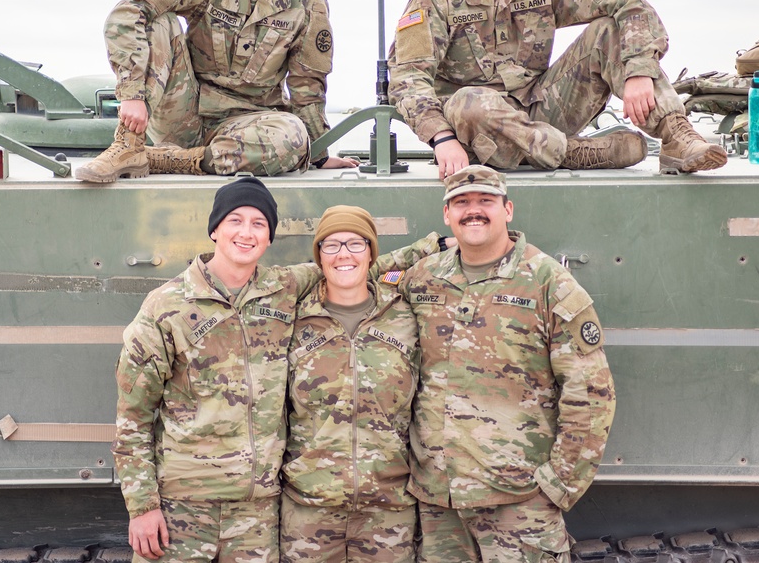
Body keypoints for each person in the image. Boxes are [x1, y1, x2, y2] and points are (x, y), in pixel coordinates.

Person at [113, 178, 446, 562]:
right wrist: (142, 506)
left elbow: (353, 267)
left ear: (269, 237)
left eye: (259, 224)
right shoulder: (165, 306)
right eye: (235, 220)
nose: (246, 232)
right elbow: (133, 416)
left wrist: (436, 246)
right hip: (183, 504)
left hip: (257, 511)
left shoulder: (282, 288)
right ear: (214, 229)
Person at [388, 0, 728, 179]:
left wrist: (639, 71)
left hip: (543, 108)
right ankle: (574, 153)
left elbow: (629, 4)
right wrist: (442, 139)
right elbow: (407, 80)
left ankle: (677, 135)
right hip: (477, 132)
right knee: (469, 102)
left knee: (608, 30)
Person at [396, 165, 616, 562]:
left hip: (519, 499)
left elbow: (591, 393)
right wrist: (425, 247)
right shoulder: (422, 278)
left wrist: (558, 484)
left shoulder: (548, 281)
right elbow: (360, 276)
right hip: (440, 498)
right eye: (461, 203)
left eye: (485, 201)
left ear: (508, 210)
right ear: (447, 215)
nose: (473, 211)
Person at [78, 0, 357, 182]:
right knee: (157, 18)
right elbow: (127, 11)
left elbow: (307, 83)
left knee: (293, 136)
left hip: (250, 126)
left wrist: (318, 152)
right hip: (182, 113)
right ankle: (128, 146)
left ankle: (171, 160)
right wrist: (132, 95)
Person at [281, 206, 423, 562]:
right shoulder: (292, 319)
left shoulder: (405, 316)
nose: (344, 254)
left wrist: (437, 243)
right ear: (319, 257)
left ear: (372, 254)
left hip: (389, 510)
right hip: (308, 510)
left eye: (356, 243)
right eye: (331, 245)